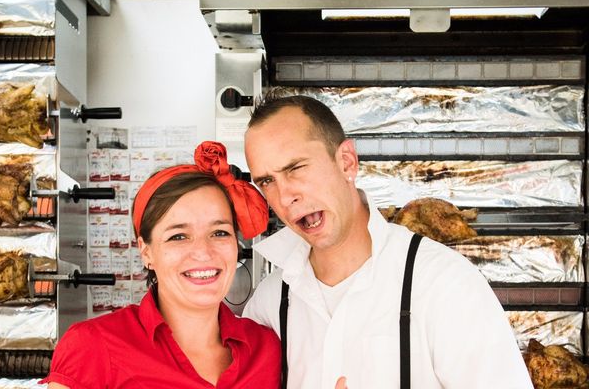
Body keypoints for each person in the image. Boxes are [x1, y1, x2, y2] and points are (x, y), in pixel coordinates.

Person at [242, 94, 533, 389]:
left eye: (296, 168)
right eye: (267, 181)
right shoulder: (267, 305)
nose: (284, 196)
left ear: (347, 162)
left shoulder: (444, 285)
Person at [41, 141, 281, 388]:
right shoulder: (92, 346)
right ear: (146, 252)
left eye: (219, 232)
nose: (203, 252)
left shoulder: (266, 349)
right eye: (178, 236)